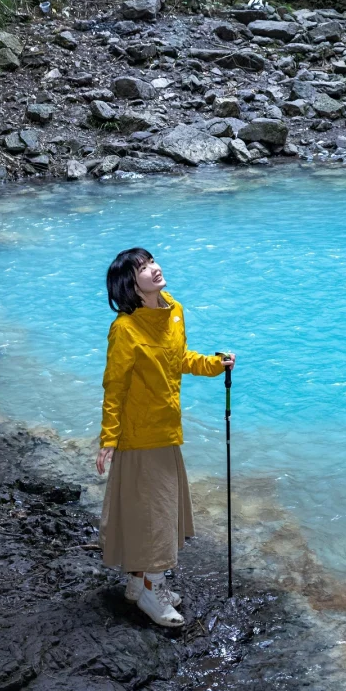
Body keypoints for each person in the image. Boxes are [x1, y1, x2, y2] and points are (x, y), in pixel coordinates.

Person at [96, 246, 234, 628]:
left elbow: (179, 358)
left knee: (153, 511)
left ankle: (139, 583)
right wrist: (109, 439)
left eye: (152, 261)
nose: (154, 269)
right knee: (155, 516)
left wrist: (213, 364)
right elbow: (114, 387)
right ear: (130, 285)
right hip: (141, 436)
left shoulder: (174, 311)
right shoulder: (124, 329)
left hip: (167, 429)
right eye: (143, 268)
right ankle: (151, 591)